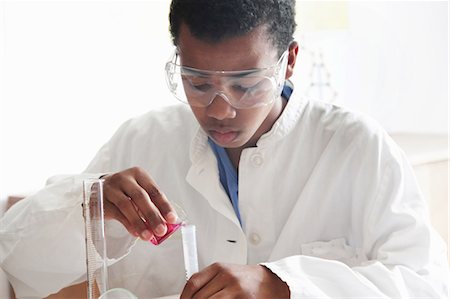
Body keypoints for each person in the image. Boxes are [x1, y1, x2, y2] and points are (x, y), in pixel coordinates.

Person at [1, 0, 448, 298]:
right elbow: (17, 265)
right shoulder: (143, 139)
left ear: (289, 60)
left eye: (246, 85)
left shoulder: (357, 148)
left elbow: (425, 284)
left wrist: (283, 285)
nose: (219, 109)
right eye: (197, 82)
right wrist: (88, 206)